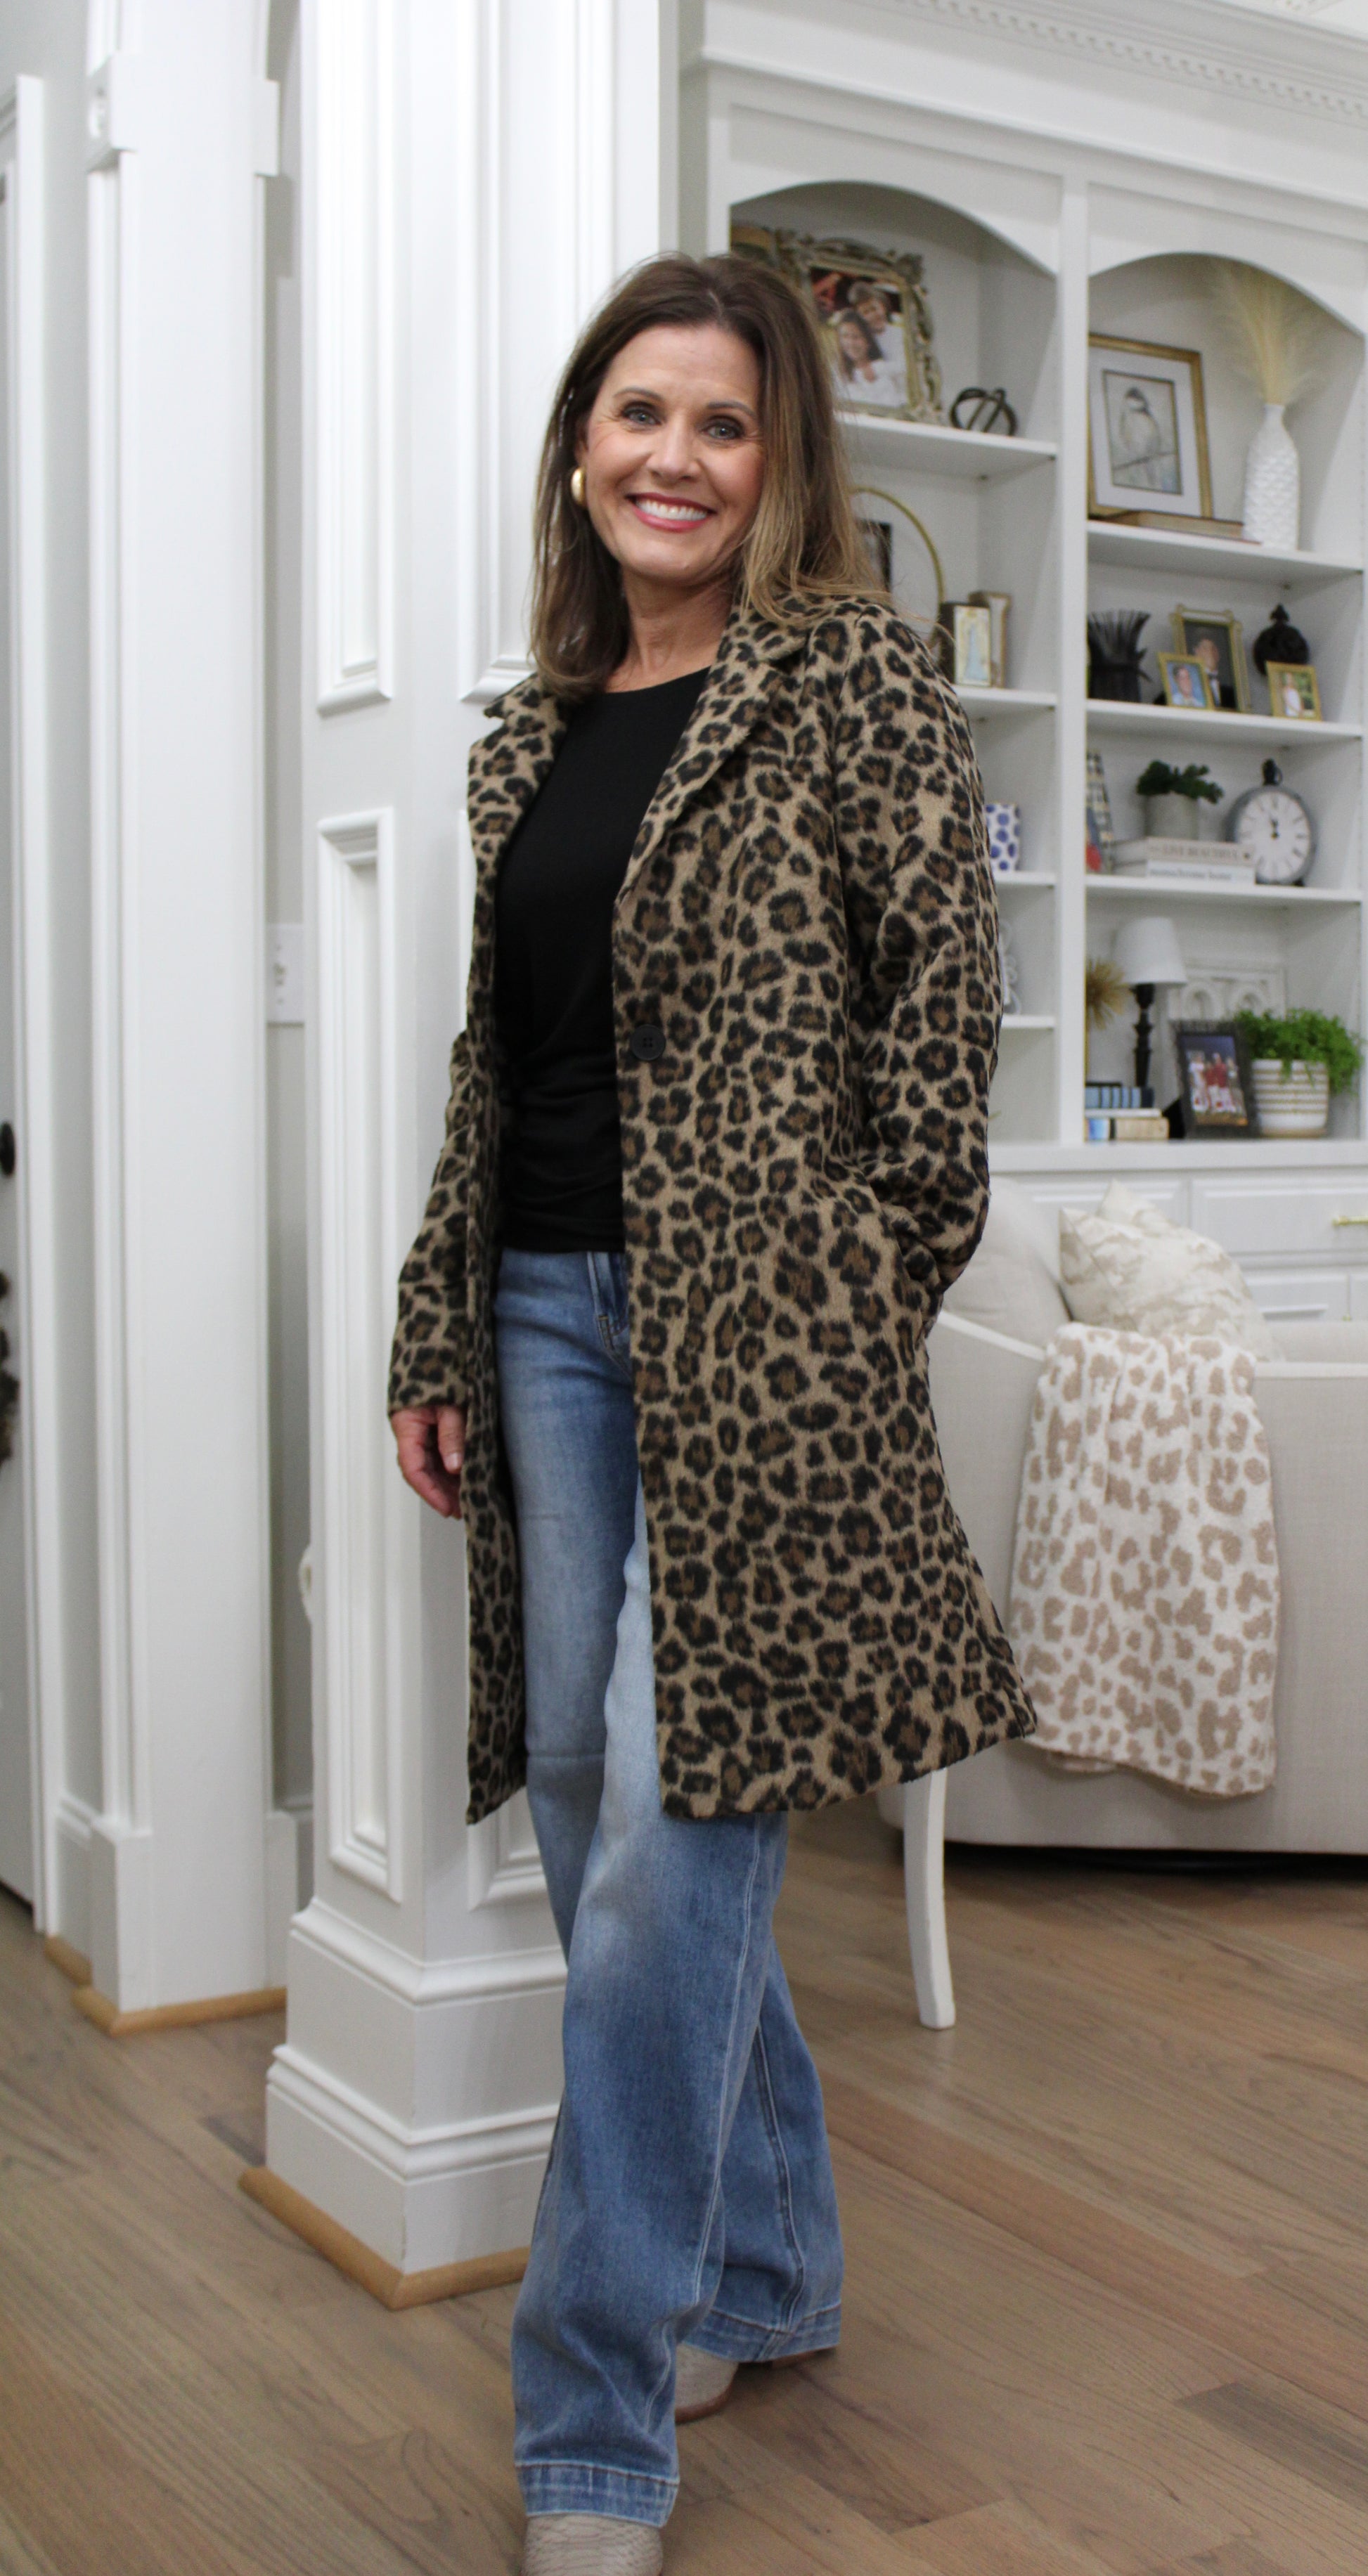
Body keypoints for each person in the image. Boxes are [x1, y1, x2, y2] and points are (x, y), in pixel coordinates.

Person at [387, 251, 1035, 2576]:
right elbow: (497, 1063)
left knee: (679, 1823)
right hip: (547, 1312)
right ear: (581, 445)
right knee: (589, 1786)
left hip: (769, 1345)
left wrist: (858, 1294)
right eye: (637, 411)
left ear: (779, 467)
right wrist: (436, 1325)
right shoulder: (529, 732)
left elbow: (939, 1023)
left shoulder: (852, 681)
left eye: (723, 423)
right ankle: (763, 2263)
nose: (673, 455)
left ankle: (591, 2418)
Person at [832, 304, 903, 406]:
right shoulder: (837, 372)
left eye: (856, 337)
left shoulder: (881, 372)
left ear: (868, 341)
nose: (851, 343)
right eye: (845, 336)